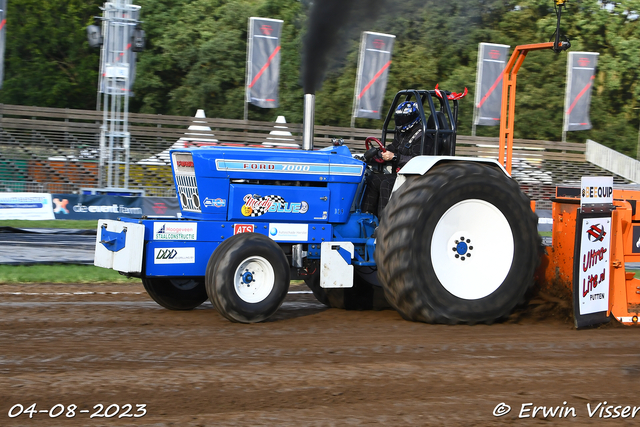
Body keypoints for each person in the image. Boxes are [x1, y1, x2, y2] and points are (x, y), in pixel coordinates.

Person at [361, 101, 424, 217]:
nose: (400, 122)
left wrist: (394, 157)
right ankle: (366, 216)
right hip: (399, 174)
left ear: (413, 119)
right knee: (372, 179)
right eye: (399, 119)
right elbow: (392, 147)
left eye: (403, 119)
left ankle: (384, 223)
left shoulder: (423, 136)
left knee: (386, 183)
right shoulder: (403, 134)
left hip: (414, 176)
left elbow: (417, 160)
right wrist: (379, 153)